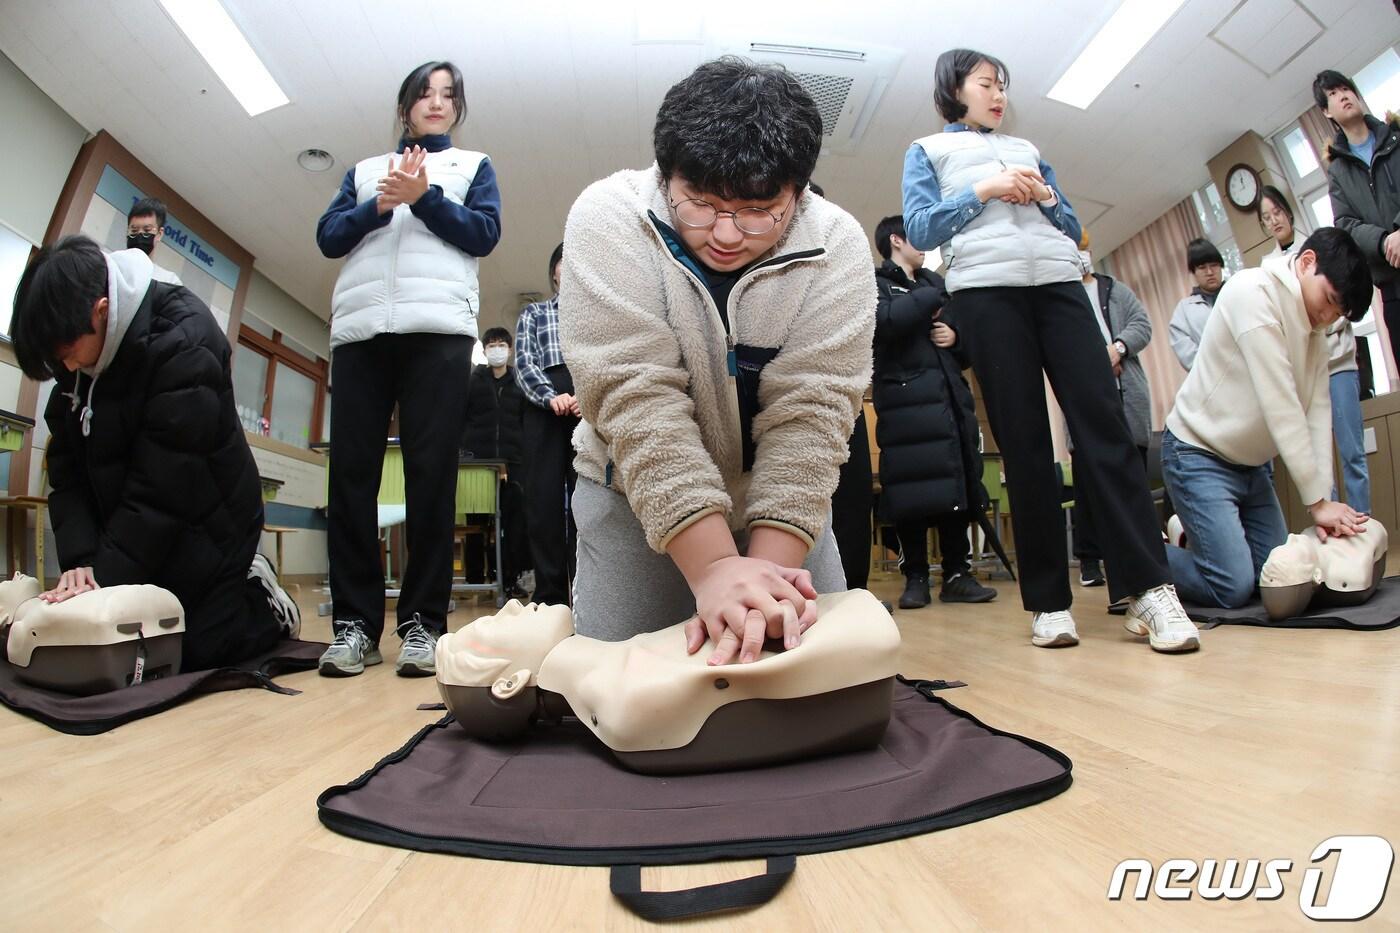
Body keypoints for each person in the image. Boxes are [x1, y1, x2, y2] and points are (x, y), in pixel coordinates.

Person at [560, 57, 875, 665]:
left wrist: (762, 583)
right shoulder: (608, 216)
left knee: (812, 679)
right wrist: (711, 569)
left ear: (799, 192)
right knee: (621, 690)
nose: (727, 234)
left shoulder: (836, 244)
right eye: (700, 203)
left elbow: (813, 415)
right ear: (665, 175)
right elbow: (633, 394)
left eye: (760, 211)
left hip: (779, 502)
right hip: (632, 493)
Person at [902, 48, 1197, 652]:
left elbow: (1069, 223)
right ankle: (1048, 604)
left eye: (1003, 85)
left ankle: (1150, 590)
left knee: (1106, 432)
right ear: (954, 88)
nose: (998, 94)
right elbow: (924, 228)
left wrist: (1042, 198)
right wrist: (985, 188)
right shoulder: (927, 151)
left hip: (1060, 289)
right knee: (1027, 444)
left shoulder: (1031, 149)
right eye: (986, 83)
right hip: (987, 295)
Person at [9, 236, 299, 671]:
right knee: (109, 636)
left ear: (101, 311)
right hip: (138, 521)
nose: (66, 370)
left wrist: (103, 580)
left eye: (67, 356)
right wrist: (81, 562)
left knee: (192, 648)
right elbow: (66, 472)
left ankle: (264, 594)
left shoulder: (187, 341)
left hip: (210, 521)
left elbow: (163, 489)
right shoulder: (77, 360)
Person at [314, 60, 501, 677]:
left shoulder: (472, 167)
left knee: (430, 479)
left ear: (457, 108)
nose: (438, 102)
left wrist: (424, 200)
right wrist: (378, 204)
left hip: (439, 334)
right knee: (351, 480)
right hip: (362, 332)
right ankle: (354, 626)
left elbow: (484, 234)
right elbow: (328, 236)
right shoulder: (365, 171)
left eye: (449, 95)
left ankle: (423, 624)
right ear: (406, 106)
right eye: (426, 93)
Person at [1162, 229, 1372, 608]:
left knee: (1276, 579)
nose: (1327, 317)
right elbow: (1282, 405)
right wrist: (1316, 503)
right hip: (1197, 456)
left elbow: (1316, 411)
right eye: (1329, 301)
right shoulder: (1253, 292)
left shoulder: (1315, 329)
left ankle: (1191, 534)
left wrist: (1324, 499)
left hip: (1251, 467)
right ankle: (1133, 550)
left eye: (1337, 315)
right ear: (1307, 262)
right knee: (1232, 587)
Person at [872, 214, 996, 608]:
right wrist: (933, 300)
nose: (924, 245)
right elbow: (887, 322)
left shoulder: (937, 285)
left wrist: (955, 336)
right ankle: (917, 577)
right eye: (917, 238)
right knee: (909, 489)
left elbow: (966, 345)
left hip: (948, 401)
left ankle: (959, 573)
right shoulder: (877, 284)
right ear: (896, 240)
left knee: (958, 486)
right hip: (905, 403)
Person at [1260, 184, 1369, 514]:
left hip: (1340, 363)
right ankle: (1331, 520)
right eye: (1266, 217)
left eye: (1277, 212)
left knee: (1353, 453)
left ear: (1288, 211)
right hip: (1303, 367)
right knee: (1318, 451)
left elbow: (1340, 307)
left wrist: (1320, 319)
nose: (1273, 220)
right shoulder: (1266, 268)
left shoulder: (1322, 247)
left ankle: (1361, 526)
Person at [1071, 231, 1155, 589]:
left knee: (1132, 476)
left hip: (1127, 395)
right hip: (1087, 397)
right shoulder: (1065, 296)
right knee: (1089, 483)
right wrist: (1093, 363)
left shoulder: (1114, 289)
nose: (1081, 255)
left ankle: (1143, 555)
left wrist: (1118, 349)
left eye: (1084, 248)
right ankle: (1090, 560)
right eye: (1073, 250)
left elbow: (1142, 325)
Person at [1316, 69, 1400, 367]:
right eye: (1333, 94)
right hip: (1393, 286)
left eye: (1345, 88)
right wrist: (1384, 241)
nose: (1343, 95)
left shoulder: (1396, 139)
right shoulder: (1337, 171)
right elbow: (1346, 225)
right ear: (1326, 111)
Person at [513, 244, 578, 607]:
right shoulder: (534, 313)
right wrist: (549, 395)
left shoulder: (596, 317)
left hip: (585, 413)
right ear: (554, 271)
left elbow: (603, 361)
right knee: (543, 504)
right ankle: (551, 598)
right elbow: (524, 362)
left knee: (587, 505)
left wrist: (588, 394)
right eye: (566, 263)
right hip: (542, 411)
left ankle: (587, 595)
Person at [460, 326, 530, 599]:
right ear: (485, 349)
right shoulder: (473, 380)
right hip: (479, 462)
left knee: (513, 524)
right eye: (491, 344)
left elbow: (526, 421)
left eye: (501, 344)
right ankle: (475, 578)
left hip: (513, 462)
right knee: (477, 521)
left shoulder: (519, 381)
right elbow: (462, 418)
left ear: (510, 349)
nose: (496, 348)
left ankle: (510, 580)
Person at [1168, 238, 1225, 371]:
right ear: (1194, 272)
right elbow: (1187, 355)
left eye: (1214, 265)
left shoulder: (1239, 292)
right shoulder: (1183, 311)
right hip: (1216, 379)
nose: (1210, 272)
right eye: (1202, 268)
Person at [125, 197, 182, 285]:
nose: (140, 236)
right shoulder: (111, 266)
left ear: (159, 234)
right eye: (134, 230)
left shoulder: (169, 282)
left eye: (147, 230)